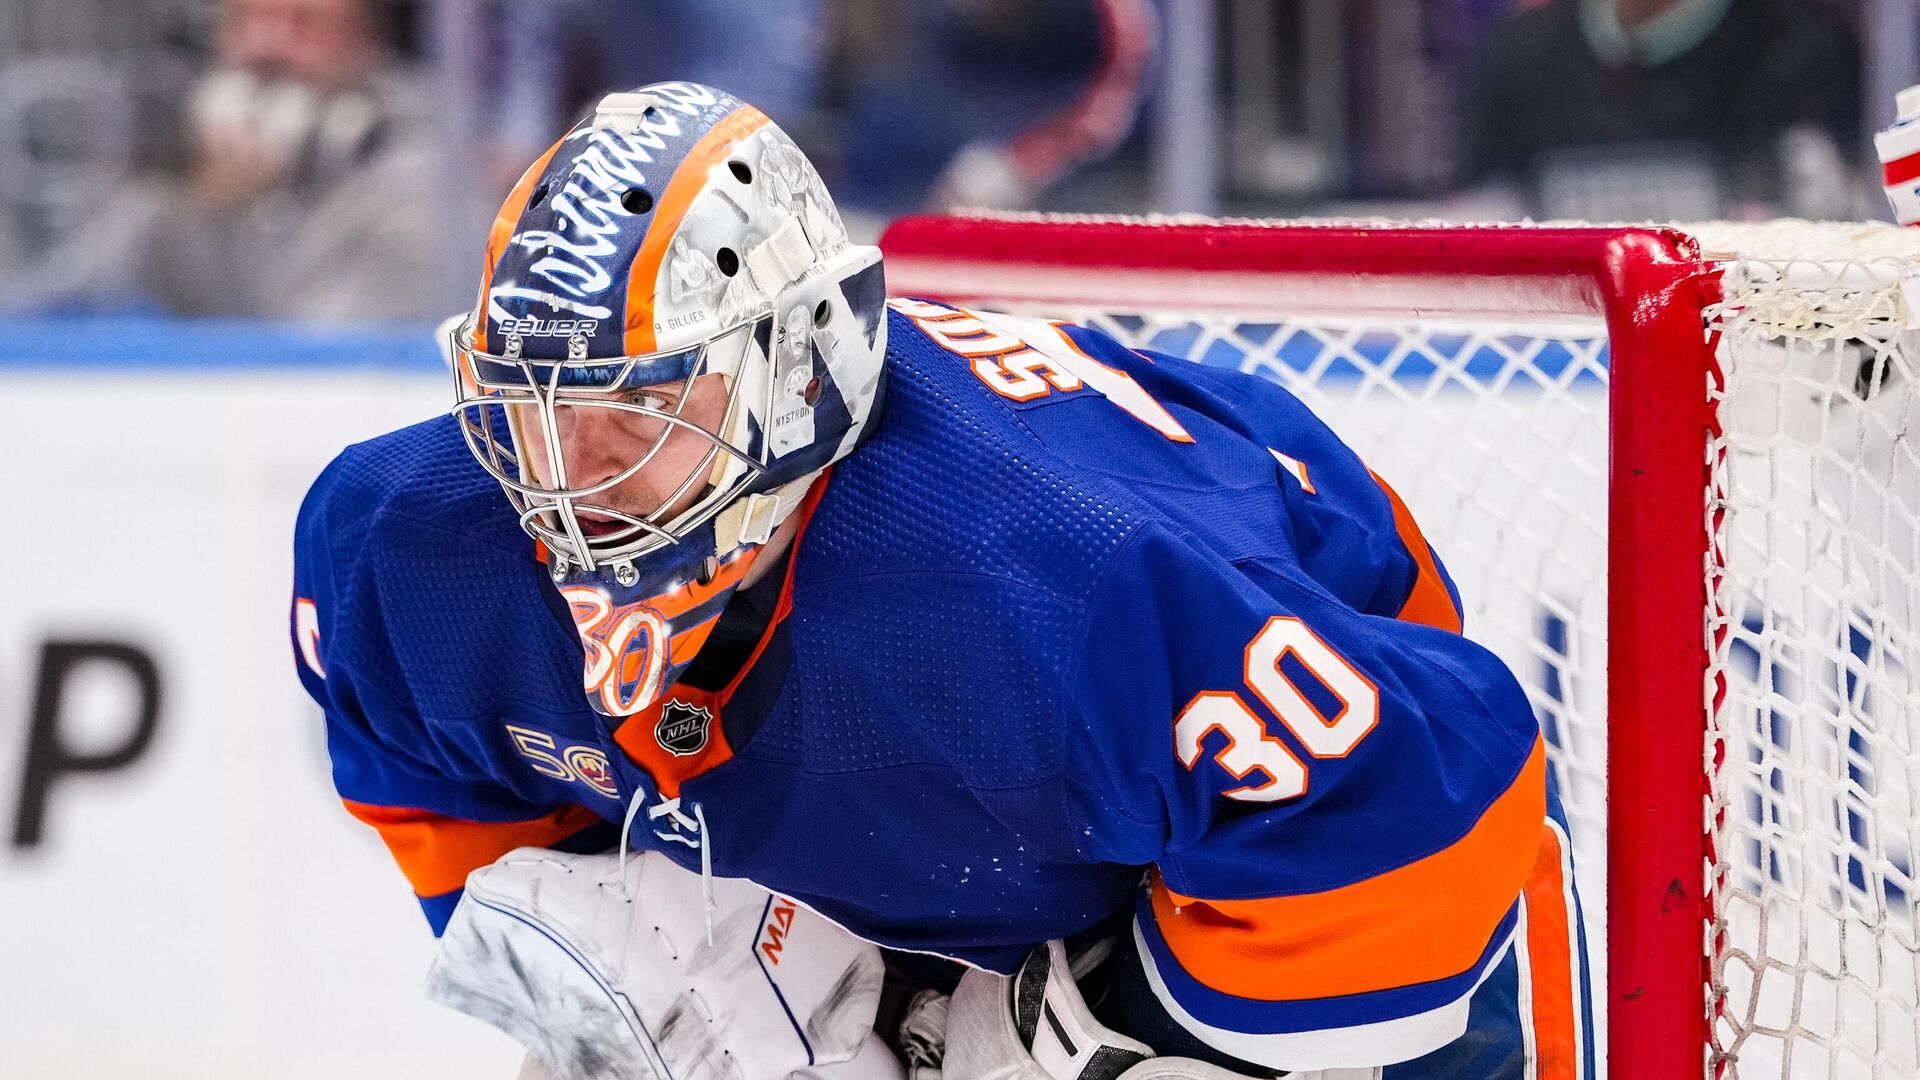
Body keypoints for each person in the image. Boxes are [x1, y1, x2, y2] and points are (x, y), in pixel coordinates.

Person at [292, 82, 1591, 1079]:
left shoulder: (1052, 575)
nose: (573, 483)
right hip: (960, 848)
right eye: (533, 414)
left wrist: (1089, 1031)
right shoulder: (403, 541)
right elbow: (455, 810)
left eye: (639, 413)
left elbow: (1431, 802)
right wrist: (685, 933)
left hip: (1351, 879)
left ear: (798, 369)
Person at [5, 0, 450, 319]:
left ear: (369, 48)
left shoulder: (425, 187)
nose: (265, 47)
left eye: (304, 24)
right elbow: (55, 305)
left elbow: (319, 359)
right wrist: (191, 210)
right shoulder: (177, 174)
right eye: (245, 21)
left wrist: (227, 226)